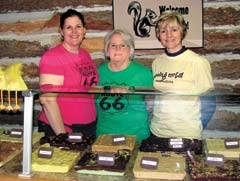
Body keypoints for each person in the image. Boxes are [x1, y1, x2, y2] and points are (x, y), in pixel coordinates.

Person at [150, 11, 214, 140]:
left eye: (174, 29)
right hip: (157, 131)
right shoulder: (157, 62)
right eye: (163, 31)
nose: (169, 35)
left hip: (186, 134)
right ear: (158, 35)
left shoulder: (198, 62)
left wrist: (195, 127)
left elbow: (210, 102)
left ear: (182, 32)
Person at [38, 9, 99, 139]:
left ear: (84, 30)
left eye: (78, 26)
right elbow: (48, 100)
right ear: (61, 31)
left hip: (88, 126)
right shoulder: (53, 57)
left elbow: (89, 87)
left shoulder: (85, 54)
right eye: (69, 27)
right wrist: (63, 137)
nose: (74, 32)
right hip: (63, 128)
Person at [95, 29, 153, 142]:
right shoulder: (98, 73)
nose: (117, 49)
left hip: (136, 137)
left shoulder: (143, 73)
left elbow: (151, 106)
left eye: (123, 45)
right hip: (104, 136)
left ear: (130, 49)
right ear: (107, 49)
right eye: (113, 45)